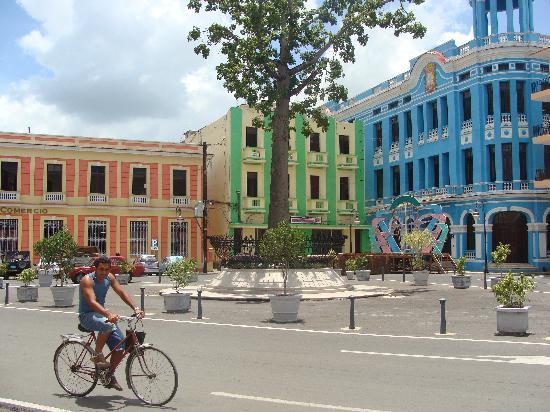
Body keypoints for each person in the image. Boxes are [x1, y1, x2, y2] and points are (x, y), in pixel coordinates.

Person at [78, 255, 144, 391]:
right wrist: (108, 314)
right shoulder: (87, 280)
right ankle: (97, 355)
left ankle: (108, 376)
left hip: (101, 315)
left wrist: (136, 308)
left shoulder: (110, 277)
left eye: (107, 269)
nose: (104, 272)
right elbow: (92, 302)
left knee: (121, 348)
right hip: (87, 316)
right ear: (95, 268)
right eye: (101, 269)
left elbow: (121, 292)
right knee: (108, 324)